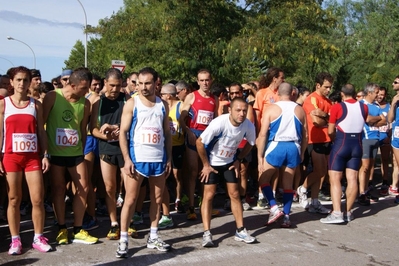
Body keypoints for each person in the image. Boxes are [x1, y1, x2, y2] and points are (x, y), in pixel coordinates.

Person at [116, 67, 172, 258]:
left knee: (157, 199)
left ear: (156, 83)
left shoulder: (163, 104)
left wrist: (169, 158)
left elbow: (166, 134)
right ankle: (123, 239)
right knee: (130, 200)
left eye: (147, 83)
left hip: (158, 159)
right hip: (137, 159)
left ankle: (153, 235)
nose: (143, 87)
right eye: (140, 83)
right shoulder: (132, 103)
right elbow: (123, 132)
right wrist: (126, 159)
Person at [43, 68, 98, 245]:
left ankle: (78, 228)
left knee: (84, 187)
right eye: (83, 88)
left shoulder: (86, 103)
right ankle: (61, 228)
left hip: (75, 153)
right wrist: (44, 152)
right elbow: (41, 124)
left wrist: (81, 149)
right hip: (55, 152)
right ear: (71, 85)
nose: (86, 92)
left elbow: (83, 129)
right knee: (58, 190)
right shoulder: (53, 96)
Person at [0, 66, 52, 255]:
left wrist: (45, 154)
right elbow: (0, 132)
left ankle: (38, 237)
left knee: (37, 199)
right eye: (18, 80)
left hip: (32, 157)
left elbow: (41, 132)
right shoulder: (4, 104)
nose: (22, 83)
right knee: (13, 199)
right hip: (11, 156)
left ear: (30, 82)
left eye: (25, 80)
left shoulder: (35, 104)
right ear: (12, 82)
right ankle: (15, 240)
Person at [196, 97, 256, 247]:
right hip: (212, 163)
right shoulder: (219, 123)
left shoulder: (248, 125)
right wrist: (205, 165)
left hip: (229, 163)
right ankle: (207, 233)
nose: (241, 114)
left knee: (235, 194)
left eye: (244, 111)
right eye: (238, 110)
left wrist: (239, 159)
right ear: (230, 110)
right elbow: (199, 142)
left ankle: (240, 230)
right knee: (209, 195)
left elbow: (251, 143)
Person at [257, 82, 308, 227]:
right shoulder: (300, 109)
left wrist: (260, 157)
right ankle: (286, 216)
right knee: (288, 184)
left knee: (263, 180)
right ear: (293, 93)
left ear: (277, 93)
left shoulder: (272, 109)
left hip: (276, 145)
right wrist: (302, 153)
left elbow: (262, 134)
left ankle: (274, 207)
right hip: (294, 147)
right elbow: (306, 136)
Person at [320, 84, 368, 224]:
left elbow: (330, 130)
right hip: (357, 144)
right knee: (352, 178)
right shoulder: (363, 107)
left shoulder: (337, 107)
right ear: (354, 94)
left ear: (342, 94)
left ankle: (336, 213)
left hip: (342, 142)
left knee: (335, 178)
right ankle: (348, 212)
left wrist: (336, 139)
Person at [91, 68, 129, 240]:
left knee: (129, 186)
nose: (115, 89)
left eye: (118, 86)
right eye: (112, 85)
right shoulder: (97, 102)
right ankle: (114, 223)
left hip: (125, 148)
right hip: (106, 148)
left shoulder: (127, 99)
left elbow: (132, 122)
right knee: (109, 187)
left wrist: (117, 128)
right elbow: (92, 129)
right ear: (105, 83)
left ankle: (129, 221)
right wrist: (104, 134)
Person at [179, 69, 219, 220]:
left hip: (207, 137)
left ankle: (205, 204)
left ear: (211, 80)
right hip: (193, 135)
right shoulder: (191, 96)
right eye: (201, 80)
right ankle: (190, 206)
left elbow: (215, 119)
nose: (205, 83)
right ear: (197, 81)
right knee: (192, 171)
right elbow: (181, 118)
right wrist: (188, 131)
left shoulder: (214, 99)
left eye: (207, 80)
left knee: (206, 170)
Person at [297, 72, 333, 214]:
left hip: (327, 139)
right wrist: (327, 120)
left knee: (322, 173)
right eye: (326, 87)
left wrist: (325, 116)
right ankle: (303, 188)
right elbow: (316, 122)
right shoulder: (311, 99)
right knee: (320, 170)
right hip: (315, 139)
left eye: (330, 87)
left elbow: (331, 121)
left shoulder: (328, 102)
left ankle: (315, 201)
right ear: (318, 85)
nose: (329, 90)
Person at [160, 83, 185, 218]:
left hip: (177, 145)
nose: (160, 96)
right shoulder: (161, 106)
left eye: (162, 94)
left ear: (168, 95)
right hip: (163, 145)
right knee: (163, 175)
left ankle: (178, 199)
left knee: (176, 175)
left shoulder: (180, 106)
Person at [358, 83, 386, 205]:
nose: (377, 95)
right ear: (369, 93)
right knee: (364, 166)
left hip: (376, 138)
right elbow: (367, 119)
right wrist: (377, 118)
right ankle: (361, 193)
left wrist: (375, 121)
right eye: (376, 92)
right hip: (365, 138)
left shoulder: (376, 105)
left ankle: (366, 189)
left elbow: (384, 120)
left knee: (370, 166)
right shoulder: (362, 104)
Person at [376, 86, 391, 196]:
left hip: (385, 137)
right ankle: (370, 182)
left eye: (382, 94)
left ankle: (385, 181)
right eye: (378, 94)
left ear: (385, 95)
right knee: (370, 161)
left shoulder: (389, 107)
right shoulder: (372, 106)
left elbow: (391, 122)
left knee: (385, 159)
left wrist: (389, 136)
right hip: (373, 136)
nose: (380, 96)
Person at [388, 76, 399, 203]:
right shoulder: (395, 99)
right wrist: (393, 104)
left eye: (395, 82)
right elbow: (390, 119)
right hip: (396, 136)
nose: (393, 84)